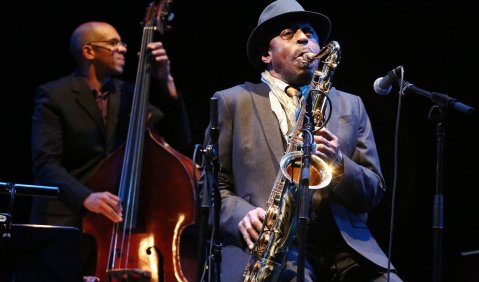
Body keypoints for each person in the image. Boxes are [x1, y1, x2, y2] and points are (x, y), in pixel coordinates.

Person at [202, 0, 402, 281]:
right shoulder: (232, 101)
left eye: (309, 32)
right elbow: (210, 188)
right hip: (269, 249)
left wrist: (340, 164)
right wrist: (240, 215)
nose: (303, 38)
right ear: (266, 55)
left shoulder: (351, 105)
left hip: (346, 252)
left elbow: (374, 190)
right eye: (288, 33)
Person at [29, 21, 191, 275]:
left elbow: (178, 141)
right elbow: (45, 163)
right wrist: (87, 197)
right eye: (114, 43)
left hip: (116, 226)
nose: (123, 49)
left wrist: (166, 80)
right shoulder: (53, 96)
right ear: (88, 52)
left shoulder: (129, 95)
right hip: (67, 222)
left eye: (122, 43)